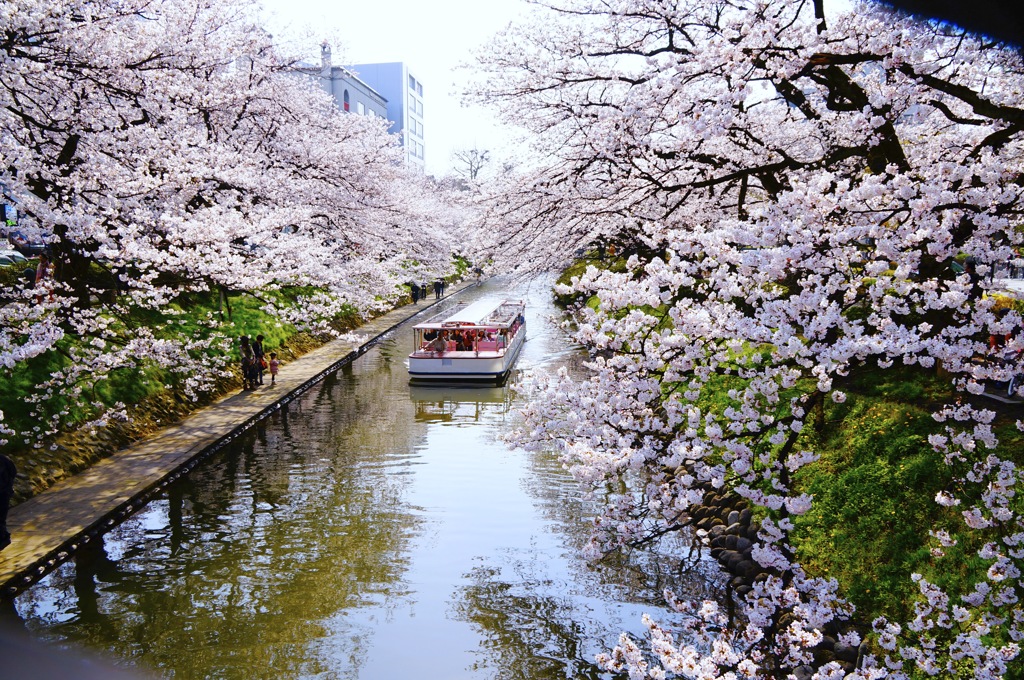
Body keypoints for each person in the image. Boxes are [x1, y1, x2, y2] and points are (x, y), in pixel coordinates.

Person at [0, 454, 15, 551]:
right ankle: (3, 538)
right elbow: (13, 472)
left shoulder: (3, 459)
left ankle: (3, 539)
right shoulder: (4, 459)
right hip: (4, 493)